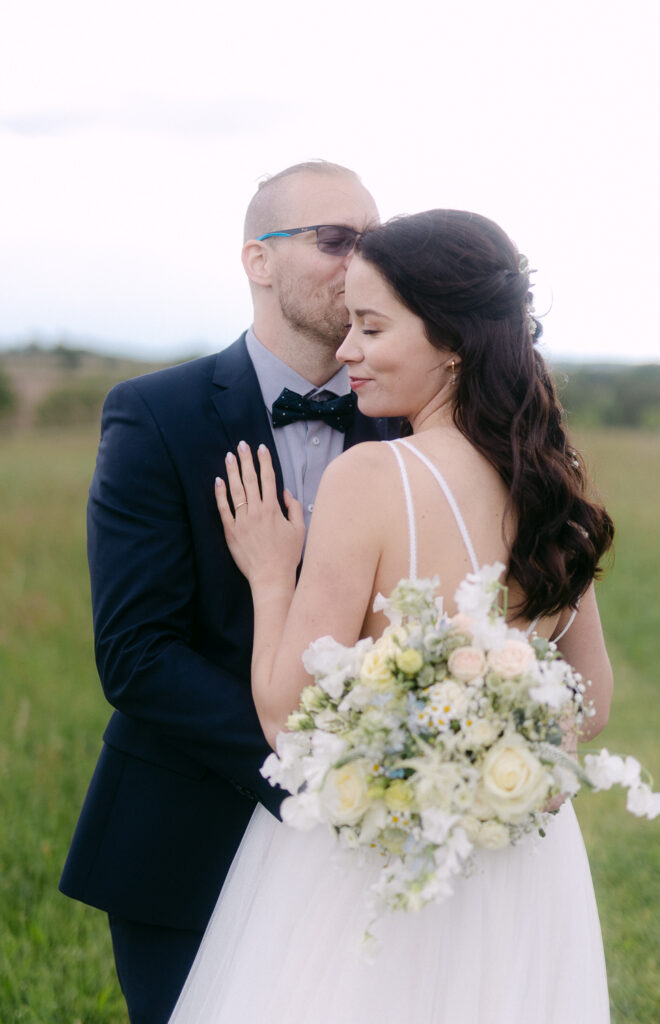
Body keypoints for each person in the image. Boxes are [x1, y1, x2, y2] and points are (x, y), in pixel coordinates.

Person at [169, 209, 615, 1023]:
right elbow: (592, 695)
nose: (346, 353)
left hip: (368, 867)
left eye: (370, 328)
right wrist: (491, 766)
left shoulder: (372, 476)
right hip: (520, 863)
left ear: (451, 340)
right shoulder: (553, 477)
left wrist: (272, 576)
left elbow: (291, 716)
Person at [58, 160, 400, 1024]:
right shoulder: (155, 414)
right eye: (335, 240)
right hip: (185, 834)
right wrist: (314, 770)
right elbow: (137, 654)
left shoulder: (409, 423)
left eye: (373, 243)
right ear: (258, 260)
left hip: (369, 844)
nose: (360, 264)